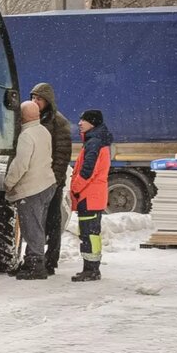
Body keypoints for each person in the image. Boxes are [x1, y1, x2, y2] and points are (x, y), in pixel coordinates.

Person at [3, 101, 57, 280]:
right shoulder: (43, 131)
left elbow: (21, 164)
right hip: (47, 185)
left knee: (31, 228)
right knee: (38, 226)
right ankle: (31, 261)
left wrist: (9, 183)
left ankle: (35, 265)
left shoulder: (26, 135)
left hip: (32, 188)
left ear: (22, 116)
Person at [30, 83, 72, 277]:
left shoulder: (58, 122)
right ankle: (32, 258)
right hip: (35, 179)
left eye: (38, 98)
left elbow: (62, 154)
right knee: (34, 221)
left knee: (52, 221)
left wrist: (55, 179)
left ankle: (51, 260)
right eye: (33, 98)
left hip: (51, 180)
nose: (34, 102)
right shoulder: (31, 119)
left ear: (47, 101)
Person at [71, 109, 112, 282]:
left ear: (92, 123)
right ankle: (90, 268)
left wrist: (75, 188)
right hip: (93, 196)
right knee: (90, 234)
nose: (79, 123)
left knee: (89, 234)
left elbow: (87, 172)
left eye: (84, 120)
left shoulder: (94, 142)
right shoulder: (96, 141)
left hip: (89, 196)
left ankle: (91, 270)